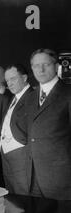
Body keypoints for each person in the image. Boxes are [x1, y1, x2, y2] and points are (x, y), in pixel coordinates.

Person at [26, 49, 71, 200]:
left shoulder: (67, 94)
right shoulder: (31, 97)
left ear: (56, 66)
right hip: (34, 178)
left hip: (62, 180)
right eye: (36, 65)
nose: (41, 69)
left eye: (46, 64)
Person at [0, 64, 33, 195]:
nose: (10, 84)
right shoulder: (14, 98)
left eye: (13, 79)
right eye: (7, 81)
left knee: (24, 196)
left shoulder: (32, 97)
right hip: (7, 156)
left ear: (24, 78)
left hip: (22, 156)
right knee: (13, 196)